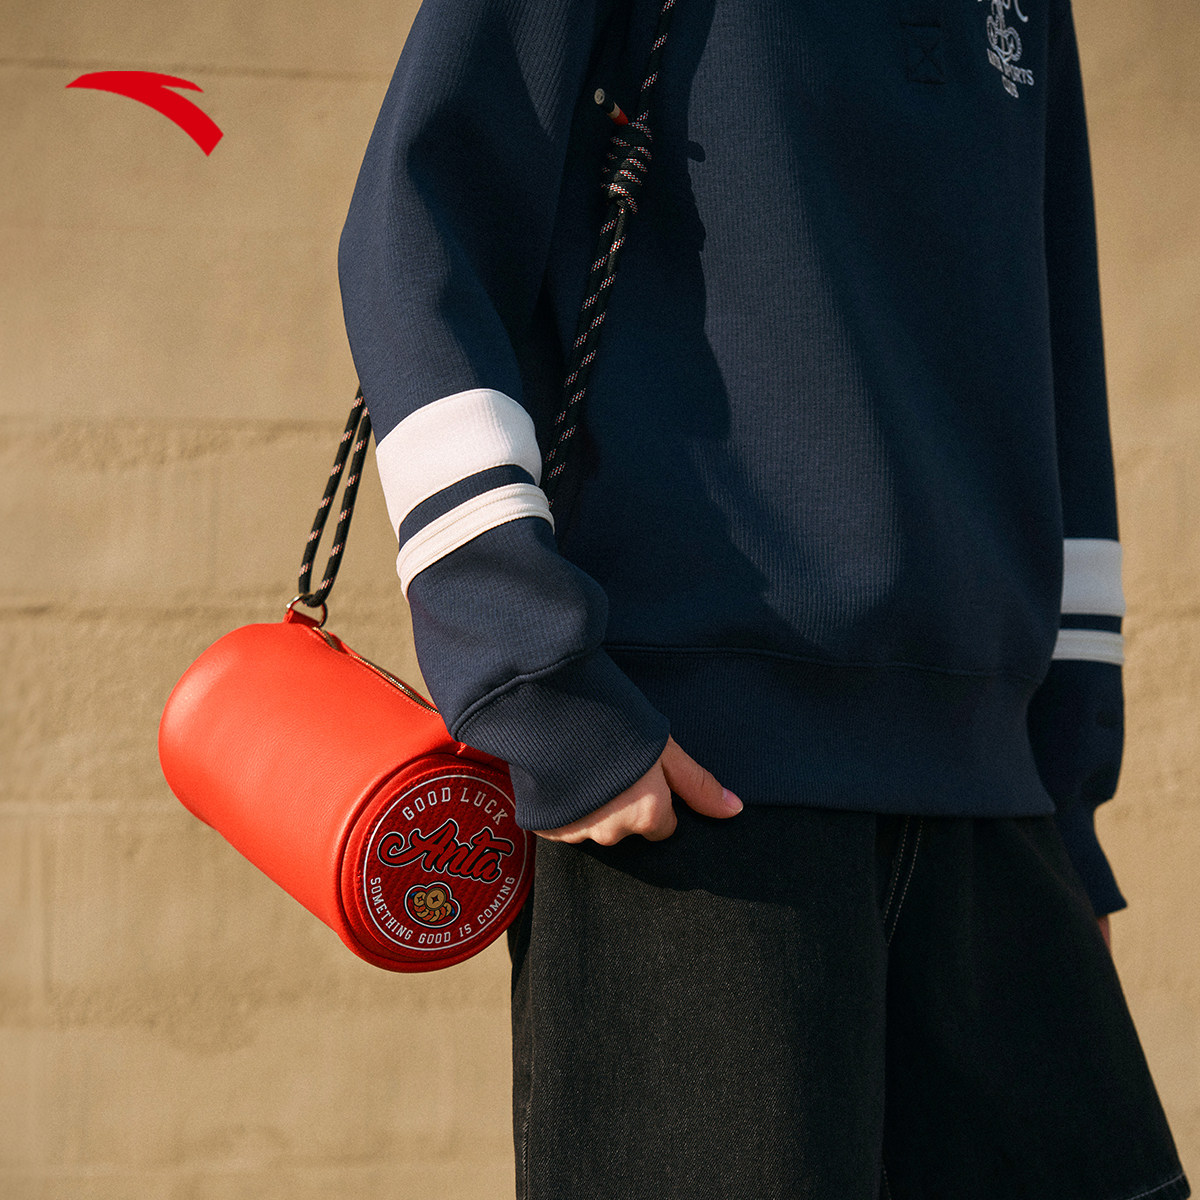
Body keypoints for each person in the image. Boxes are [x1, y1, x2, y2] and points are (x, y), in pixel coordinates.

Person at [337, 0, 1192, 1196]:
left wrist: (1066, 792)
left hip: (996, 811)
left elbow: (1056, 349)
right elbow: (416, 224)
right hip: (691, 789)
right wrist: (537, 670)